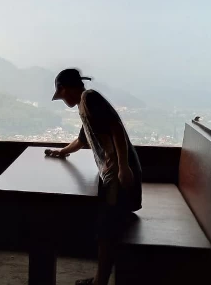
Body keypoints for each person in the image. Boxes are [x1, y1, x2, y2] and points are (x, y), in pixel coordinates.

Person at [46, 68, 142, 285]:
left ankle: (100, 282)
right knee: (104, 228)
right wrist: (62, 151)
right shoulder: (84, 105)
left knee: (106, 231)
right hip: (113, 173)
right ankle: (100, 278)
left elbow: (116, 128)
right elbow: (82, 140)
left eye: (61, 95)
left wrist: (124, 167)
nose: (62, 100)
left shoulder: (89, 98)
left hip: (118, 175)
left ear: (64, 88)